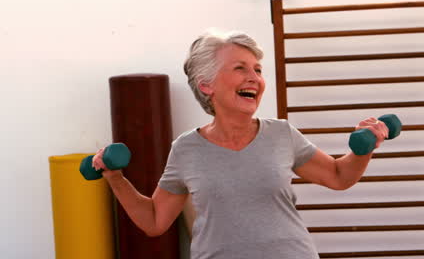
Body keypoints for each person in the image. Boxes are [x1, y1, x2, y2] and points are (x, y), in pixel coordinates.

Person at [92, 30, 389, 259]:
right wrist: (114, 178)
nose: (254, 78)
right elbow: (155, 221)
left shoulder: (281, 134)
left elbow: (338, 176)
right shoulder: (186, 149)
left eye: (257, 70)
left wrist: (363, 150)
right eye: (240, 68)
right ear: (206, 84)